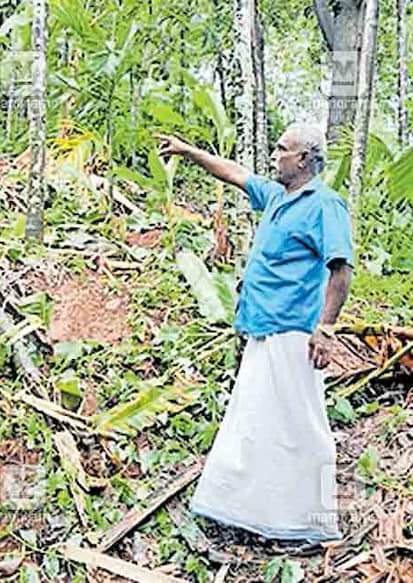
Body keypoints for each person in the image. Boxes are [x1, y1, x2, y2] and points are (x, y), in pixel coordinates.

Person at [157, 124, 354, 543]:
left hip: (294, 331)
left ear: (304, 159)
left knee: (304, 426)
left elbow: (342, 269)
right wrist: (187, 149)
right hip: (262, 326)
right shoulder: (277, 198)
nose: (274, 155)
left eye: (282, 149)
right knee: (256, 421)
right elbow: (233, 173)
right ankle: (255, 513)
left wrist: (326, 329)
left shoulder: (325, 204)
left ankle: (314, 522)